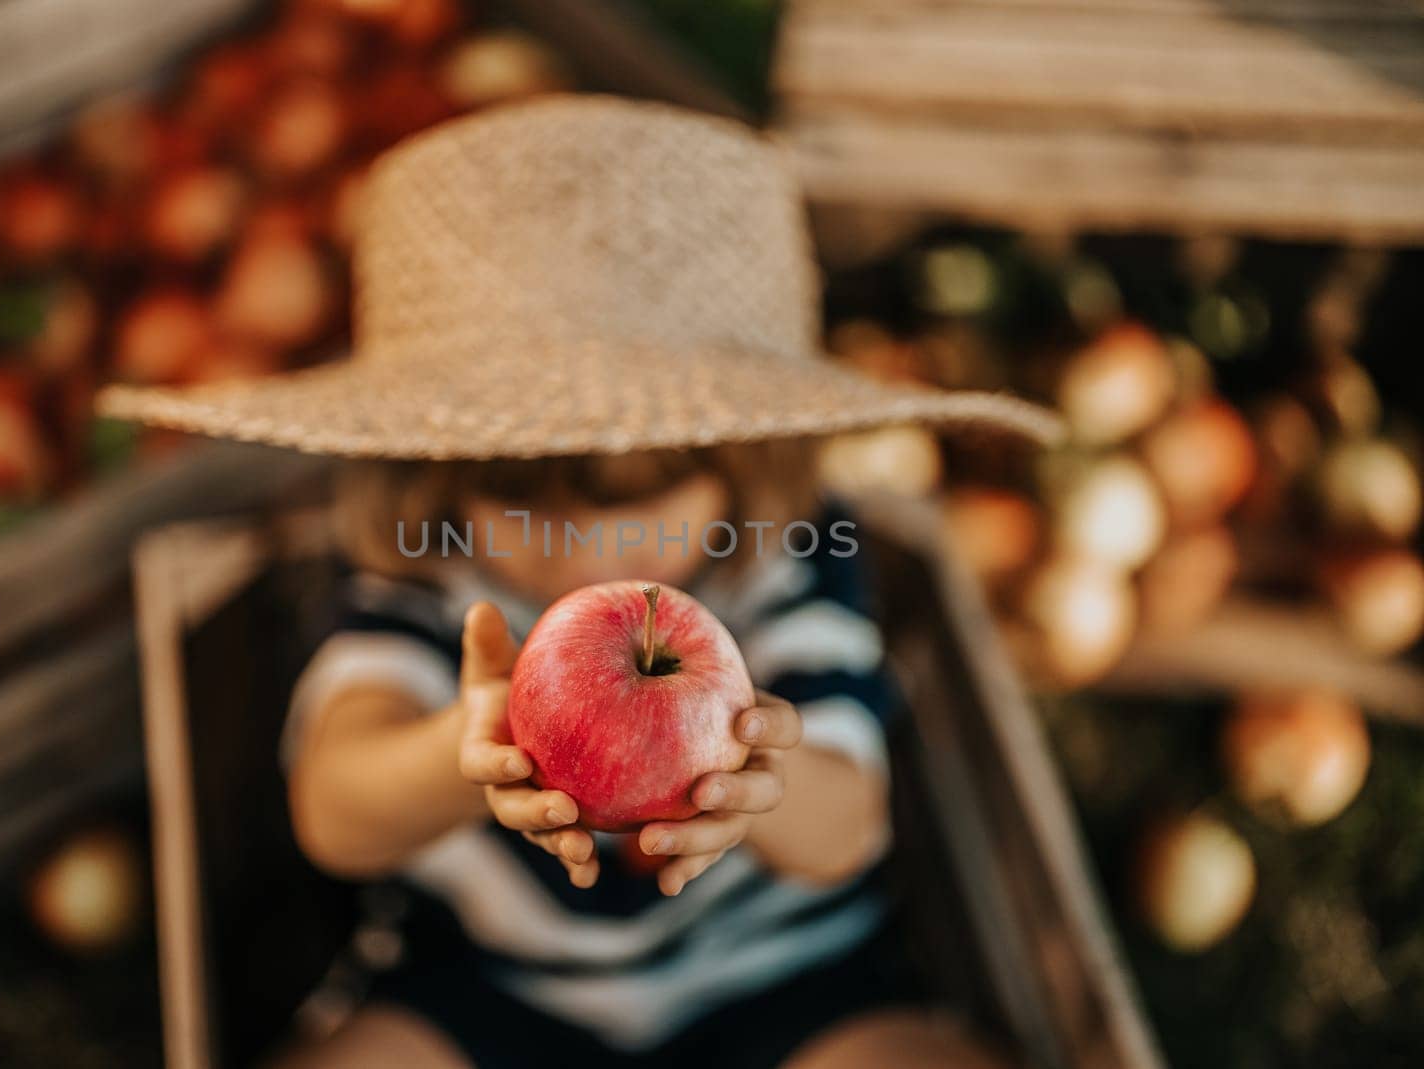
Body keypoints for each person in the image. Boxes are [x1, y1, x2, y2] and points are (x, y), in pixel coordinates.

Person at [99, 95, 1052, 1068]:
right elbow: (334, 811)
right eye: (521, 493)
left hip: (780, 978)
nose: (589, 549)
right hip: (481, 989)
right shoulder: (422, 579)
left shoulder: (779, 560)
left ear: (742, 465)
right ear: (435, 474)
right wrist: (459, 750)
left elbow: (847, 827)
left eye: (645, 486)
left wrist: (758, 781)